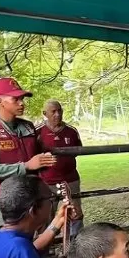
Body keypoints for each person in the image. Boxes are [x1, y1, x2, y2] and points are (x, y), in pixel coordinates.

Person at [0, 78, 56, 226]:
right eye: (15, 99)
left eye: (22, 98)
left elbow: (34, 157)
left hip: (34, 196)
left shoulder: (28, 126)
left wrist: (43, 160)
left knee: (42, 242)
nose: (22, 103)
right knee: (15, 242)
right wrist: (26, 166)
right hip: (7, 203)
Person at [37, 100, 84, 237]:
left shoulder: (71, 131)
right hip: (46, 182)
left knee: (75, 213)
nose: (57, 114)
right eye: (53, 111)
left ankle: (75, 245)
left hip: (70, 180)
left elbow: (79, 150)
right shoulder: (38, 132)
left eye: (60, 111)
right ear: (45, 114)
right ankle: (46, 246)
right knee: (46, 215)